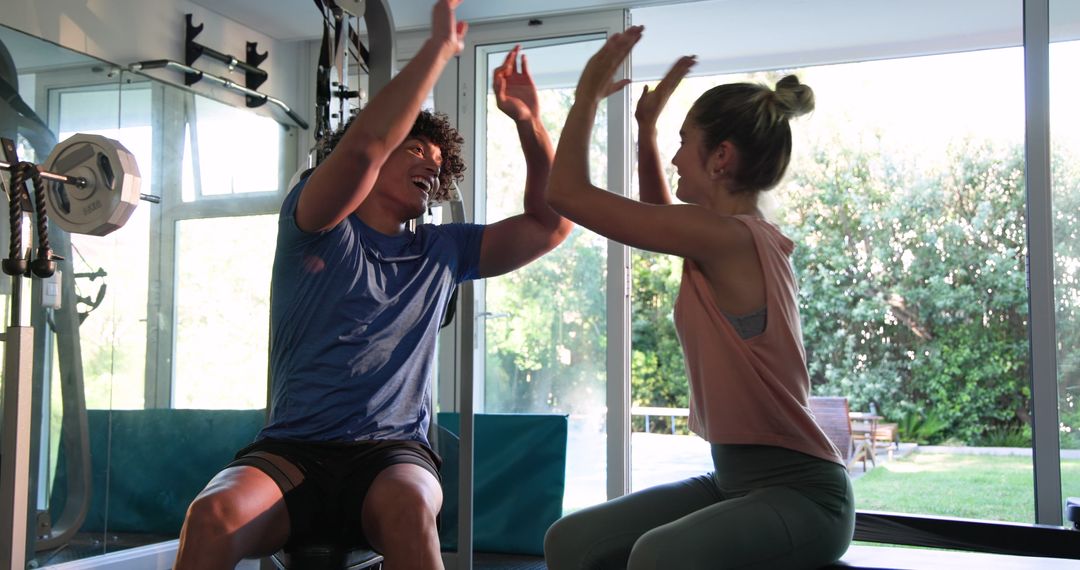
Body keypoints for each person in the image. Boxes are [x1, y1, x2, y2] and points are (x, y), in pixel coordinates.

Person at [174, 1, 572, 568]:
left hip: (391, 455)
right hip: (292, 451)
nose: (431, 167)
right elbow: (362, 147)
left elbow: (550, 224)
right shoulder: (317, 223)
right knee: (210, 515)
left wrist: (530, 124)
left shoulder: (444, 250)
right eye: (415, 149)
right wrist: (437, 49)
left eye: (438, 163)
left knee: (411, 511)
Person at [542, 27, 854, 569]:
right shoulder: (719, 236)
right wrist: (645, 130)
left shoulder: (733, 238)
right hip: (730, 481)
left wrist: (587, 92)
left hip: (804, 496)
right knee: (568, 542)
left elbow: (566, 193)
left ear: (721, 157)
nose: (676, 157)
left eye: (684, 141)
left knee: (658, 557)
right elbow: (660, 215)